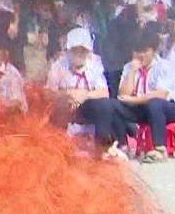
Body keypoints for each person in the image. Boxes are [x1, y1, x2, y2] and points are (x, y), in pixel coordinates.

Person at [46, 28, 127, 160]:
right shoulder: (58, 66)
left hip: (86, 108)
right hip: (65, 110)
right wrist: (68, 94)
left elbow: (104, 92)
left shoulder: (95, 65)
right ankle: (60, 147)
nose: (78, 54)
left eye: (82, 50)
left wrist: (84, 95)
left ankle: (103, 147)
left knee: (106, 105)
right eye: (75, 50)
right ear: (68, 50)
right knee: (59, 107)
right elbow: (48, 93)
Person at [117, 26, 175, 163]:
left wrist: (133, 100)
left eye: (145, 51)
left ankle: (159, 149)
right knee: (114, 106)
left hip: (168, 108)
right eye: (137, 51)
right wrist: (133, 72)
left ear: (153, 51)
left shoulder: (164, 66)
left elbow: (161, 94)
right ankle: (122, 146)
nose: (140, 55)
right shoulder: (129, 67)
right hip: (142, 108)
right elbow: (123, 95)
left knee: (154, 103)